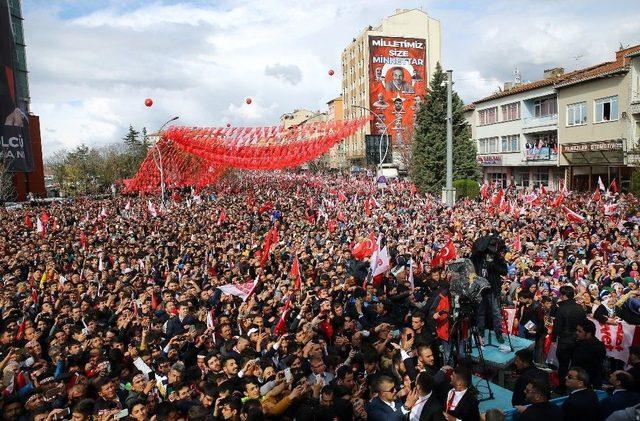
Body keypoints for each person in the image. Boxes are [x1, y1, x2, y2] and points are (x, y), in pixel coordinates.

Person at [552, 285, 586, 388]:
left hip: (565, 341)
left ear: (564, 295)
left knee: (563, 366)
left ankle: (562, 387)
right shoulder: (580, 308)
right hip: (578, 340)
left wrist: (553, 338)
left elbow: (557, 326)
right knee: (575, 366)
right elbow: (584, 323)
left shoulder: (561, 309)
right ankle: (576, 386)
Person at [571, 319, 606, 388]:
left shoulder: (583, 347)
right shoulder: (599, 344)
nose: (577, 333)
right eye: (577, 330)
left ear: (589, 334)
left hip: (584, 384)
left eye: (580, 331)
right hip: (594, 382)